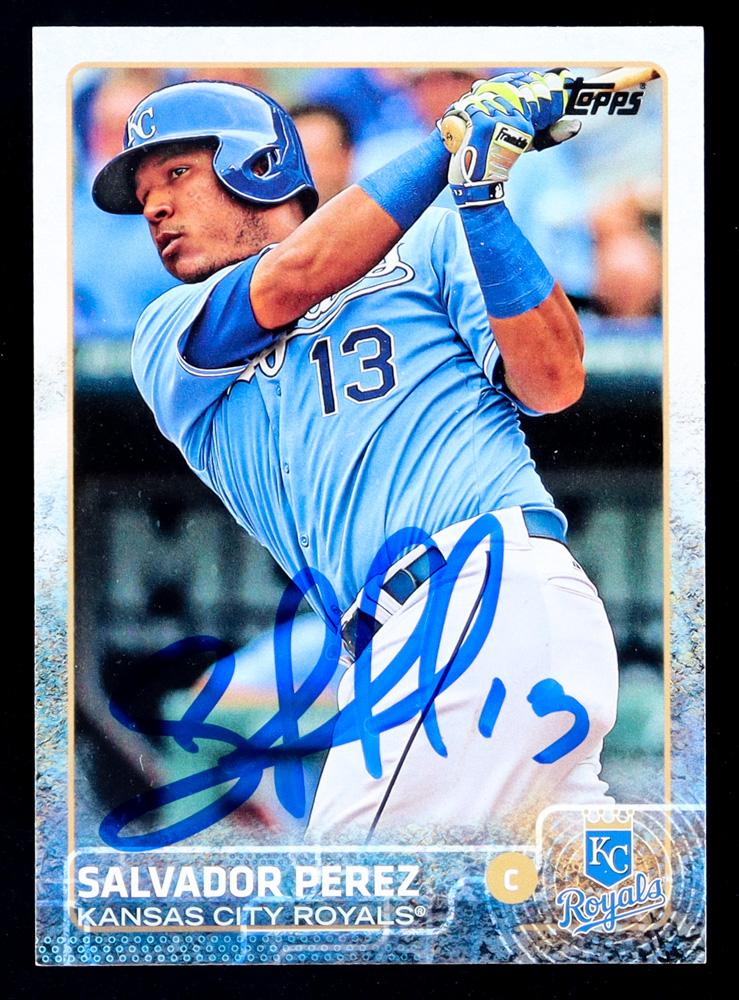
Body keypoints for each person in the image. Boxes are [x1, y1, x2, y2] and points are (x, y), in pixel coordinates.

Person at [92, 74, 619, 844]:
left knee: (354, 891)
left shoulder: (432, 239)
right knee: (565, 902)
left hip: (474, 593)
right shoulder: (167, 330)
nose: (155, 208)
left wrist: (479, 198)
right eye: (143, 196)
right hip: (424, 634)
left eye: (176, 175)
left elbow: (553, 381)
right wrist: (445, 147)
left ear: (258, 166)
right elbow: (296, 277)